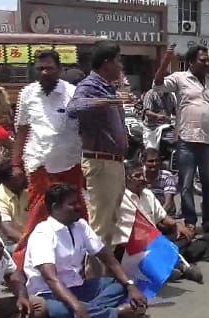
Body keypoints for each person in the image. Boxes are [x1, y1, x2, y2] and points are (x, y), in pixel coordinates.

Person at [23, 184, 148, 318]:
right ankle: (116, 313)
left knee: (118, 284)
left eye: (78, 202)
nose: (79, 207)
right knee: (60, 312)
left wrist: (130, 286)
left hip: (77, 287)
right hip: (48, 294)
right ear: (56, 207)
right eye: (72, 204)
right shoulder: (42, 234)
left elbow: (108, 258)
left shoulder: (80, 226)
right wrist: (76, 307)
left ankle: (86, 314)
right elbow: (51, 280)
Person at [12, 50, 86, 268]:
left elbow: (85, 130)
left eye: (49, 68)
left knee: (76, 218)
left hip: (70, 166)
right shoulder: (27, 94)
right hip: (40, 167)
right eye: (40, 68)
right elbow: (22, 131)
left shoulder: (73, 94)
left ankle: (76, 263)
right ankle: (21, 266)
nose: (44, 72)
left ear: (60, 70)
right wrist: (16, 164)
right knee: (38, 219)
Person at [67, 39, 128, 278]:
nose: (121, 65)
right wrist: (108, 101)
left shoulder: (108, 86)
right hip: (101, 162)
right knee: (100, 227)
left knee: (109, 223)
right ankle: (93, 281)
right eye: (118, 60)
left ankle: (102, 276)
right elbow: (75, 107)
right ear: (106, 63)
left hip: (113, 162)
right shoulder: (91, 85)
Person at [152, 45, 209, 233]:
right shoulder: (180, 78)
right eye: (203, 60)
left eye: (208, 60)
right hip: (186, 141)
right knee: (186, 185)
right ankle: (190, 221)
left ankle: (208, 220)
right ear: (191, 62)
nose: (207, 63)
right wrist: (166, 60)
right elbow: (158, 84)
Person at [111, 160, 202, 283]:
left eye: (142, 174)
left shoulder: (147, 194)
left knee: (182, 237)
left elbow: (163, 217)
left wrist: (178, 225)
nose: (143, 178)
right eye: (137, 176)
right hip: (130, 248)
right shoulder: (119, 199)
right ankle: (171, 268)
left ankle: (167, 266)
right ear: (126, 179)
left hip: (152, 242)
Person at [0, 159, 29, 245]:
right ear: (7, 180)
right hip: (11, 243)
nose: (25, 177)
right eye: (20, 176)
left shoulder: (26, 193)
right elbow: (8, 231)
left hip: (28, 238)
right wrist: (31, 244)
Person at [143, 148, 178, 215]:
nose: (154, 164)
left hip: (164, 211)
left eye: (157, 161)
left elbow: (168, 203)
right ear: (143, 162)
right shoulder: (138, 175)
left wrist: (157, 217)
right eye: (151, 161)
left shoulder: (167, 176)